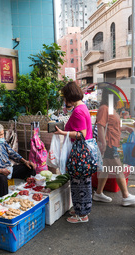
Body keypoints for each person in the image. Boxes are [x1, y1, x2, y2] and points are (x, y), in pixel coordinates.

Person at [94, 87, 135, 206]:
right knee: (118, 168)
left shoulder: (110, 108)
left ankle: (98, 193)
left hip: (111, 142)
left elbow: (111, 125)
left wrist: (124, 128)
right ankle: (126, 196)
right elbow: (100, 126)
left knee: (105, 169)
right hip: (109, 143)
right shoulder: (104, 108)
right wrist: (103, 144)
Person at [54, 81, 93, 223]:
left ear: (69, 96)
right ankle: (80, 209)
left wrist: (62, 132)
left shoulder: (78, 111)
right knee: (83, 181)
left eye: (65, 96)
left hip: (79, 153)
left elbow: (81, 134)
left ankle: (82, 215)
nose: (64, 100)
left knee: (79, 182)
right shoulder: (83, 107)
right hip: (84, 151)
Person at [0, 123, 36, 197]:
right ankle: (4, 200)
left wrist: (25, 161)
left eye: (3, 134)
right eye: (1, 135)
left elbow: (13, 154)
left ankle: (32, 193)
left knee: (29, 168)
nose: (3, 137)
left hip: (7, 169)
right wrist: (0, 171)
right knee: (2, 178)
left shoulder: (3, 143)